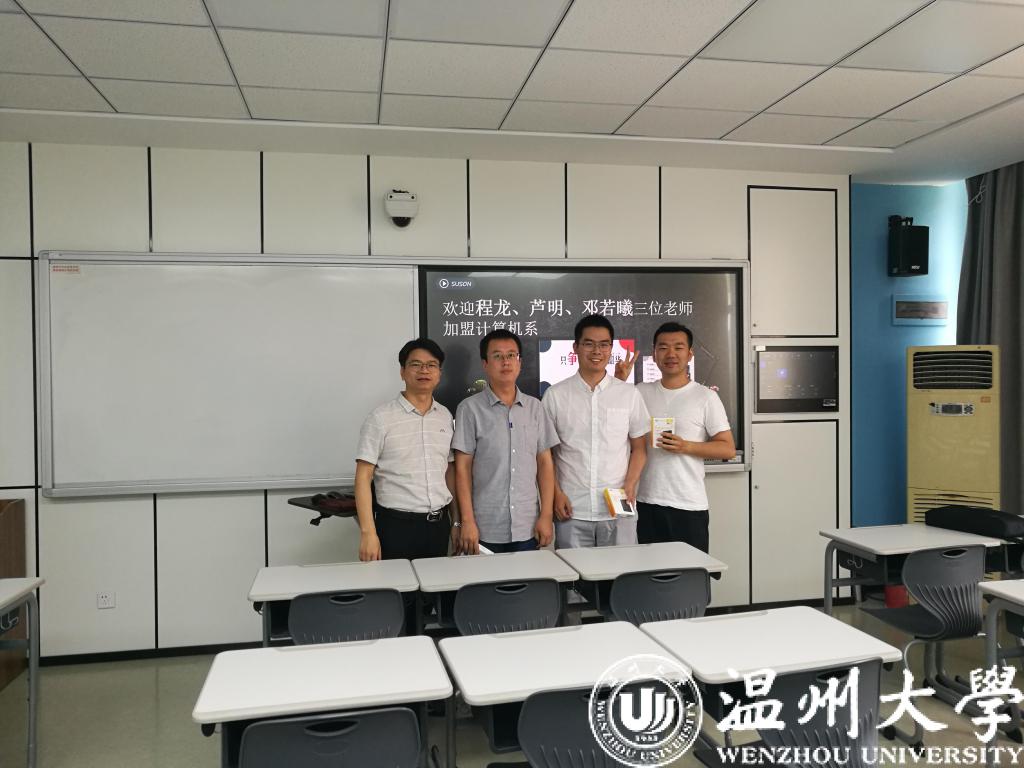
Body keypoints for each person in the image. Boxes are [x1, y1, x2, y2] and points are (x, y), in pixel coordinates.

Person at [620, 322, 735, 553]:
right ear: (654, 354)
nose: (670, 354)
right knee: (649, 571)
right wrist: (619, 383)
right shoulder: (640, 392)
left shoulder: (705, 397)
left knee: (689, 572)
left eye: (678, 347)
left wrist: (686, 446)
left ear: (690, 354)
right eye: (663, 347)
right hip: (646, 502)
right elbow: (612, 427)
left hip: (688, 504)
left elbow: (727, 449)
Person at [542, 315, 649, 548]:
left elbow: (640, 449)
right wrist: (556, 494)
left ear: (611, 348)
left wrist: (630, 484)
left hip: (619, 510)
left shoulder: (628, 394)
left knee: (621, 571)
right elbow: (546, 454)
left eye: (604, 344)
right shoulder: (555, 396)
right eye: (589, 343)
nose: (596, 351)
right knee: (573, 572)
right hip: (572, 509)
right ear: (576, 347)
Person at [453, 329, 559, 553]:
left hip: (528, 525)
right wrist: (467, 521)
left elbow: (545, 464)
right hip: (484, 526)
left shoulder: (535, 408)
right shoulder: (469, 409)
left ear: (519, 362)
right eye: (497, 356)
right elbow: (462, 468)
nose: (506, 362)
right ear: (485, 364)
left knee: (527, 577)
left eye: (511, 355)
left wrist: (546, 515)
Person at [354, 338, 457, 562]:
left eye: (431, 365)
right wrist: (368, 533)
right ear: (402, 372)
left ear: (439, 373)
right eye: (415, 364)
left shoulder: (445, 416)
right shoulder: (380, 418)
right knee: (396, 585)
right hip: (395, 526)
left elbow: (449, 471)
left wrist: (456, 521)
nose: (424, 370)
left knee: (436, 584)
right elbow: (363, 476)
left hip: (438, 526)